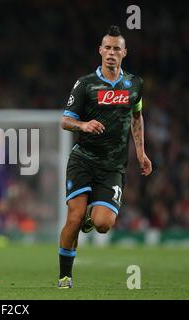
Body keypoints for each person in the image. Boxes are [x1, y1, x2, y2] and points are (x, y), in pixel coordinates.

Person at [58, 26, 152, 288]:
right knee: (74, 219)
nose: (111, 53)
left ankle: (92, 217)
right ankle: (65, 275)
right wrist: (84, 125)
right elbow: (65, 121)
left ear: (124, 52)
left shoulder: (135, 84)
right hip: (83, 160)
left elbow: (137, 116)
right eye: (107, 48)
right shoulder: (86, 84)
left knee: (102, 224)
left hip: (113, 166)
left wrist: (141, 153)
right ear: (100, 50)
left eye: (116, 48)